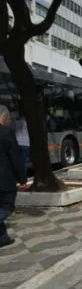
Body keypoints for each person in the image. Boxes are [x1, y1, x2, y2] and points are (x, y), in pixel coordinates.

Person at [0, 105, 24, 248]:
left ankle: (3, 238)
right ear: (4, 116)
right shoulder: (6, 132)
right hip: (4, 179)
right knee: (6, 207)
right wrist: (22, 179)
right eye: (9, 118)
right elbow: (15, 158)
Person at [12, 102, 30, 183]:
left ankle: (17, 177)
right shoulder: (28, 121)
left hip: (17, 143)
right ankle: (23, 178)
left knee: (18, 161)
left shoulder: (15, 120)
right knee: (22, 162)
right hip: (26, 144)